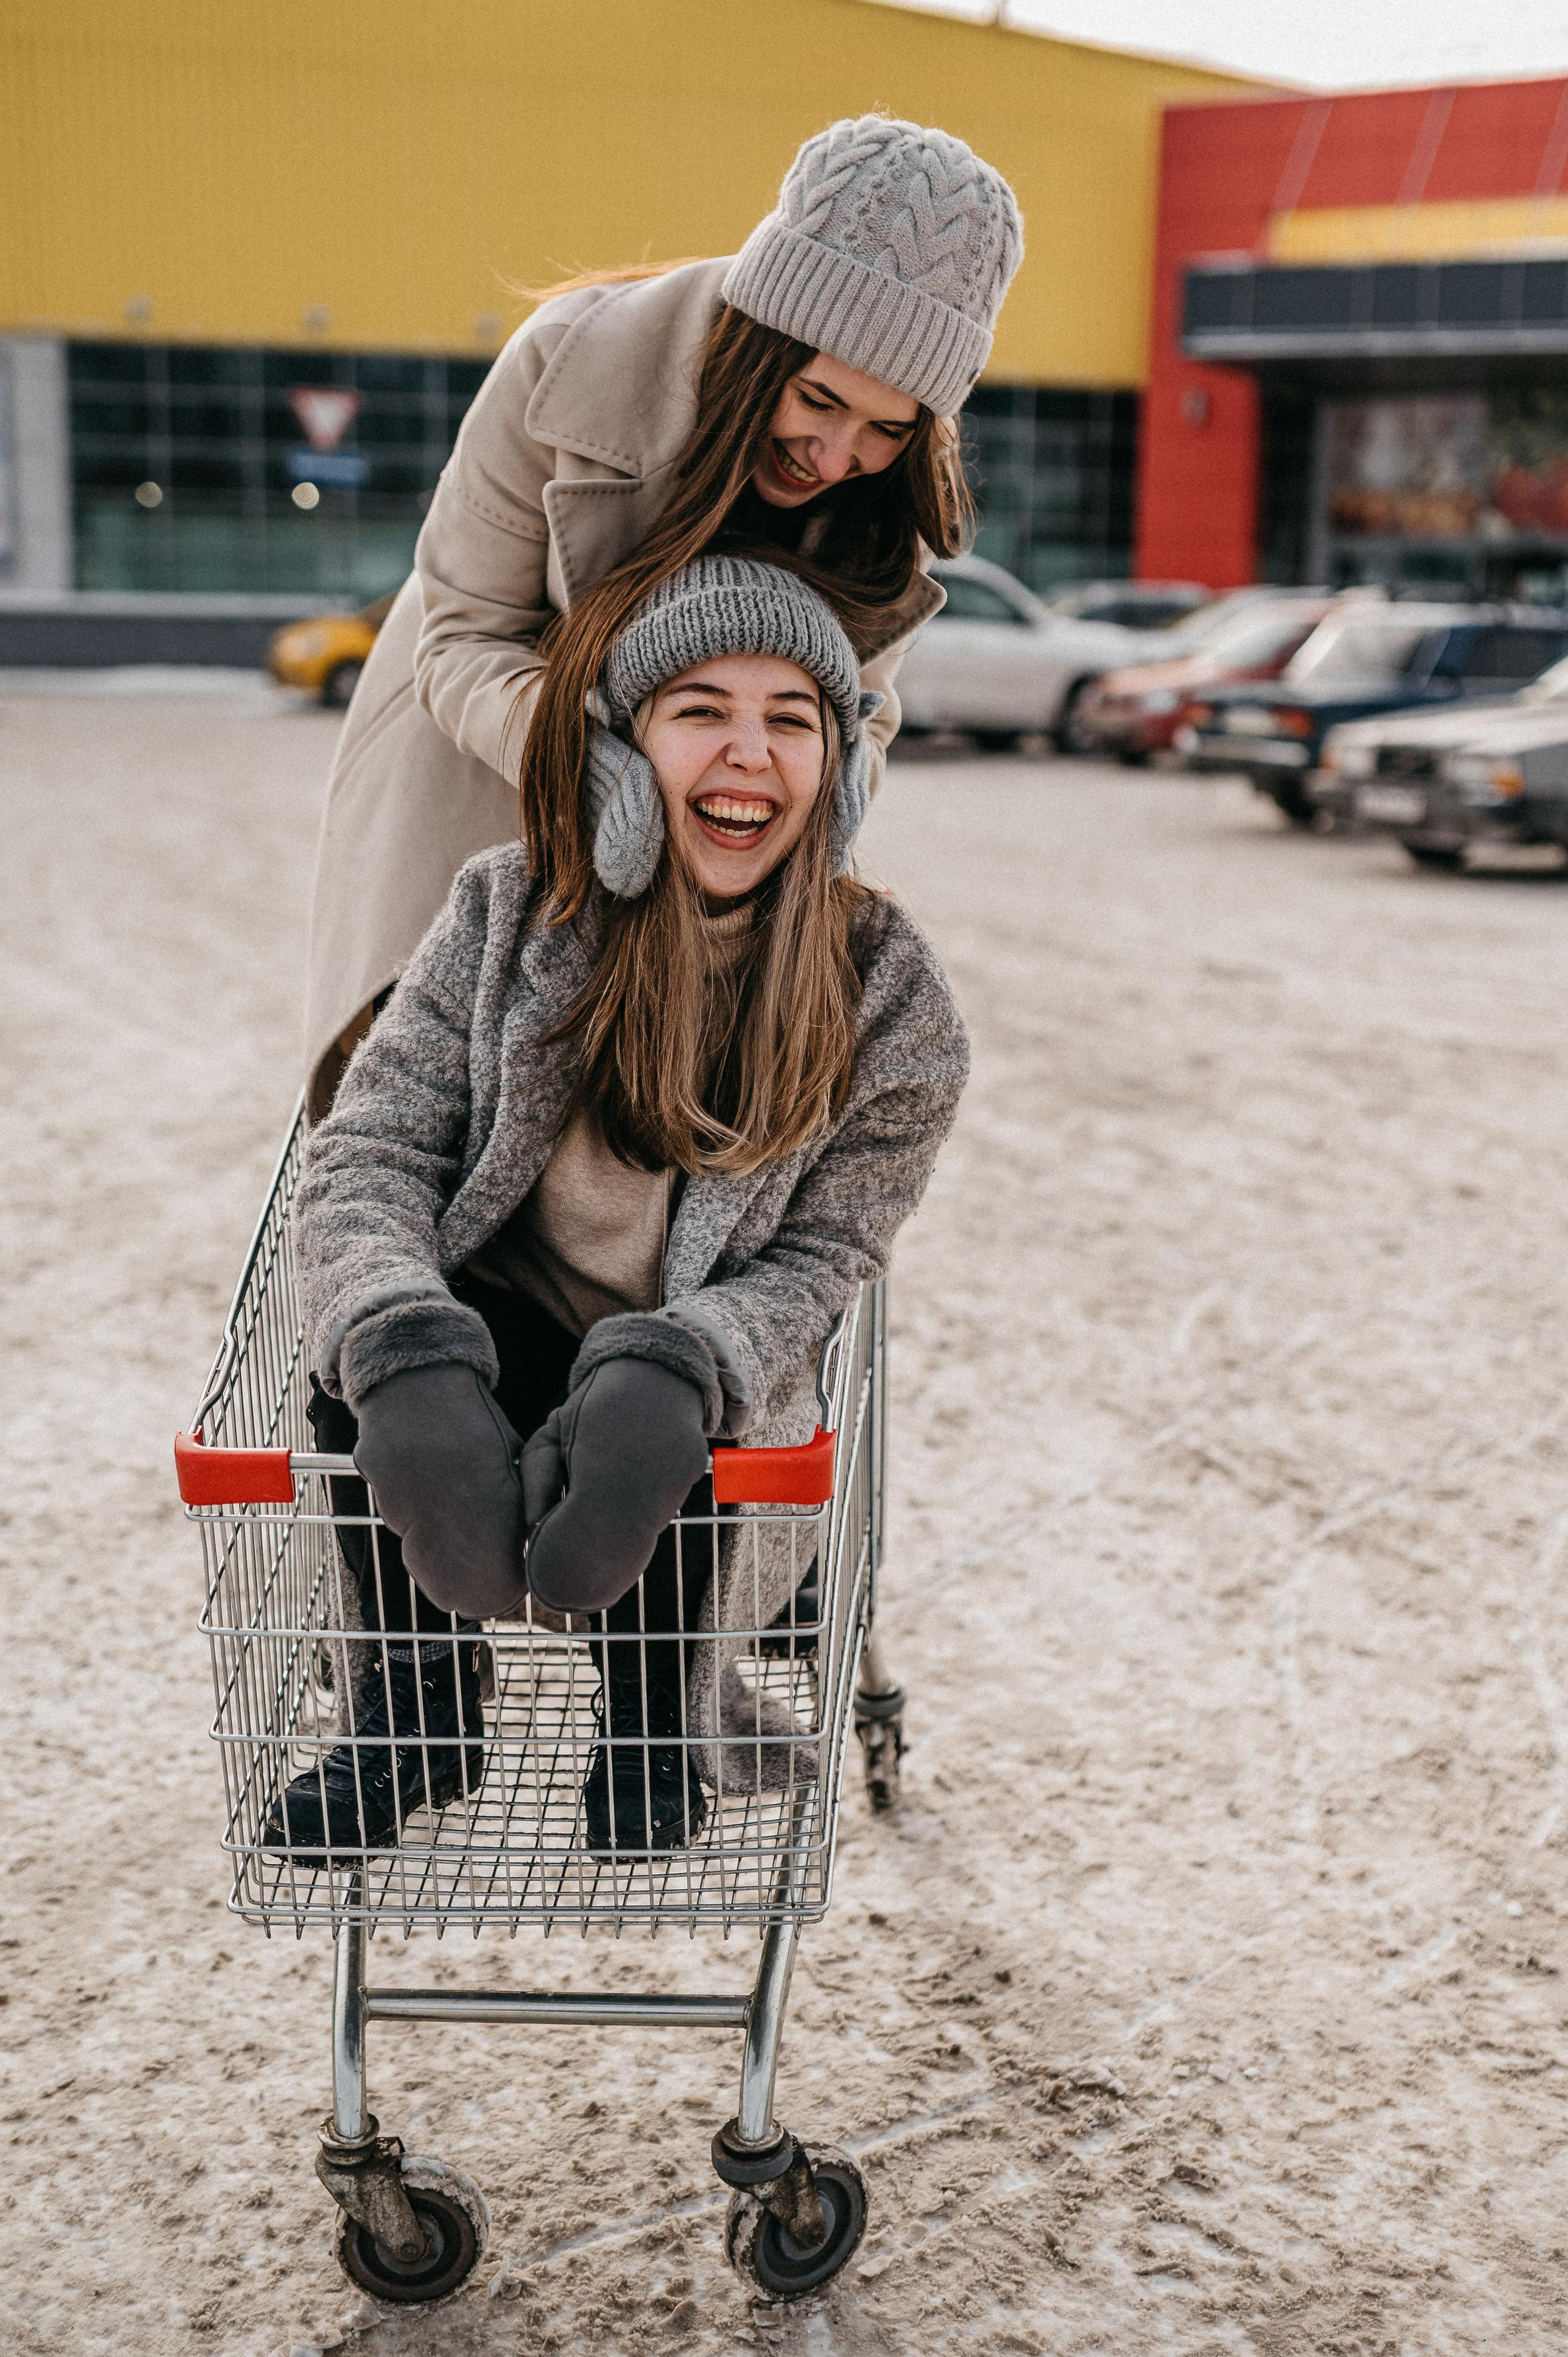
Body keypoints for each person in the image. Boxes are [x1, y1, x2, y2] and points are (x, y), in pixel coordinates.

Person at [273, 554, 970, 1856]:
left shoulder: (890, 996)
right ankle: (416, 1716)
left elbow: (829, 1251)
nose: (745, 752)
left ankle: (653, 1724)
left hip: (702, 1365)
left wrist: (686, 1357)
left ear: (838, 763)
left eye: (789, 718)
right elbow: (366, 1153)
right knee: (362, 1370)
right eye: (699, 709)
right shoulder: (507, 911)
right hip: (511, 1324)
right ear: (627, 748)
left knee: (686, 1426)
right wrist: (402, 1346)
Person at [303, 113, 1023, 1118]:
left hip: (704, 861)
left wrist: (824, 796)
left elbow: (867, 708)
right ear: (765, 339)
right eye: (817, 399)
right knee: (427, 1112)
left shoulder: (883, 499)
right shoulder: (566, 363)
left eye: (886, 428)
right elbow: (464, 636)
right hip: (471, 769)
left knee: (648, 1137)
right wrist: (590, 769)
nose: (834, 454)